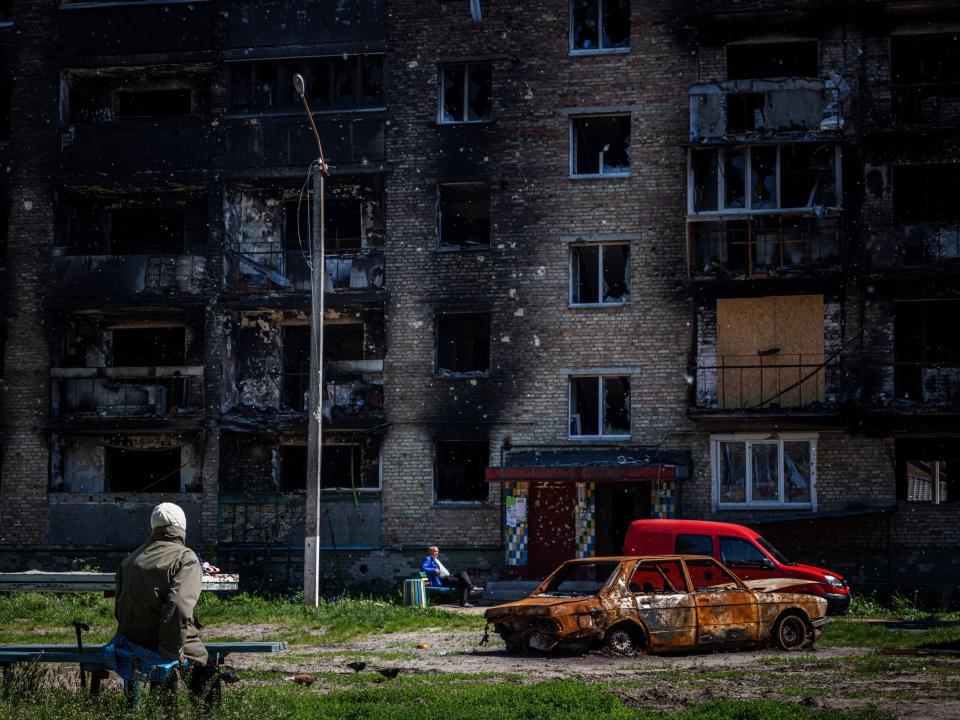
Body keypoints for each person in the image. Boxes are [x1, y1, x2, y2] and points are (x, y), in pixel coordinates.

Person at [114, 502, 220, 710]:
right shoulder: (185, 557)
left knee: (162, 683)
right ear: (182, 527)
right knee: (207, 677)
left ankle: (162, 709)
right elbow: (179, 607)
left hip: (133, 642)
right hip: (168, 641)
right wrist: (171, 652)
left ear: (154, 527)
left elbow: (119, 608)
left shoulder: (130, 560)